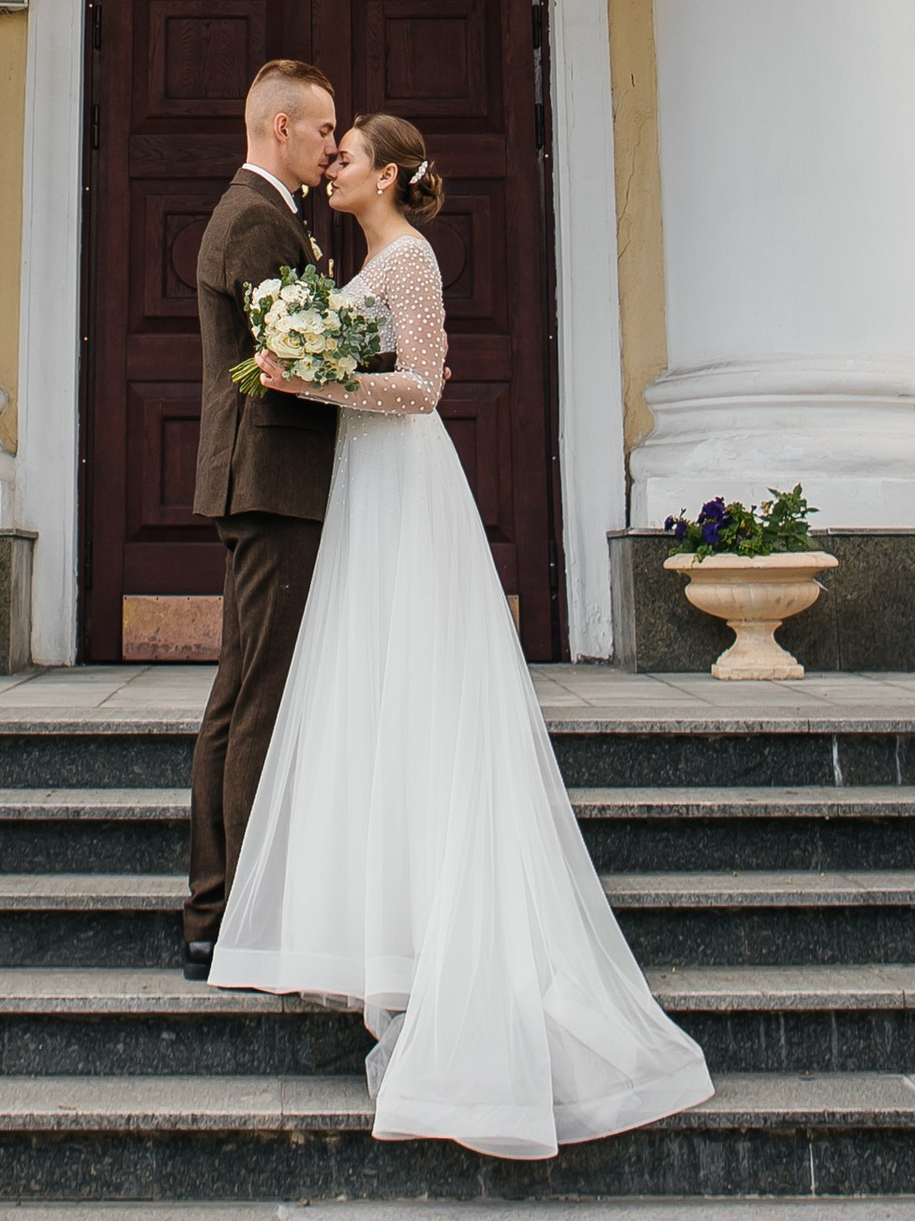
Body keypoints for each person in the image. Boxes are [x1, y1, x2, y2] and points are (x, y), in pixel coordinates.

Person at [212, 112, 714, 1162]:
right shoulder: (360, 257)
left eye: (346, 152)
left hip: (403, 481)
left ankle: (445, 944)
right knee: (370, 695)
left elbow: (429, 386)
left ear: (385, 172)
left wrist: (320, 381)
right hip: (365, 488)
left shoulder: (412, 259)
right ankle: (387, 924)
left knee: (420, 690)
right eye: (329, 147)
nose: (332, 161)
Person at [182, 56, 341, 983]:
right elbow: (267, 359)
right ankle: (230, 909)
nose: (333, 143)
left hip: (267, 477)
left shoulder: (272, 215)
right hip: (267, 479)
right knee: (254, 698)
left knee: (243, 691)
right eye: (323, 129)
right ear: (280, 127)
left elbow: (262, 354)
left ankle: (218, 907)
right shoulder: (252, 218)